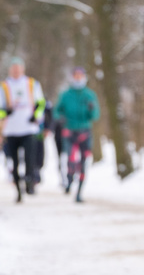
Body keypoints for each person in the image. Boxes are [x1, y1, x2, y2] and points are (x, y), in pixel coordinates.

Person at [1, 56, 47, 202]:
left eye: (18, 67)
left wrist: (35, 116)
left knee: (30, 158)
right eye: (13, 68)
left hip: (28, 128)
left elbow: (41, 103)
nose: (15, 70)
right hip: (11, 130)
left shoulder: (32, 83)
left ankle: (29, 180)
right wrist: (5, 113)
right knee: (13, 162)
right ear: (10, 69)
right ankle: (18, 191)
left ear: (23, 69)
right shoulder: (4, 86)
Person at [55, 66, 100, 203]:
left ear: (84, 77)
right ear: (72, 77)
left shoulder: (90, 95)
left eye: (80, 76)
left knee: (84, 163)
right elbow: (56, 111)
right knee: (71, 160)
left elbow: (96, 116)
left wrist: (92, 109)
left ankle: (79, 192)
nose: (78, 78)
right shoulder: (65, 94)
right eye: (76, 76)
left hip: (85, 132)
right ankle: (69, 180)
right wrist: (60, 118)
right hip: (69, 131)